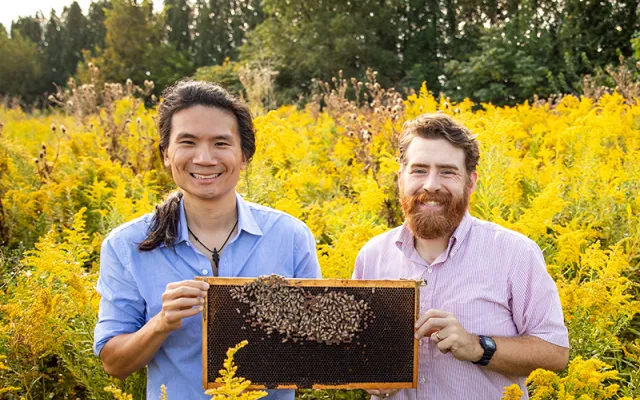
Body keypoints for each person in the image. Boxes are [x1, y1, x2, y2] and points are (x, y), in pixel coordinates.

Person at [93, 80, 321, 400]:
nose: (204, 158)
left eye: (220, 143)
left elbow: (320, 352)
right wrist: (160, 323)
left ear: (243, 156)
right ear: (166, 155)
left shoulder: (291, 237)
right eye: (187, 142)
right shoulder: (125, 246)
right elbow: (114, 364)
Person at [353, 113, 569, 399]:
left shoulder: (515, 254)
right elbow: (356, 349)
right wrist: (368, 372)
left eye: (447, 171)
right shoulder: (372, 255)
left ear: (471, 181)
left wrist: (477, 347)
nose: (431, 184)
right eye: (419, 170)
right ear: (401, 178)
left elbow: (555, 353)